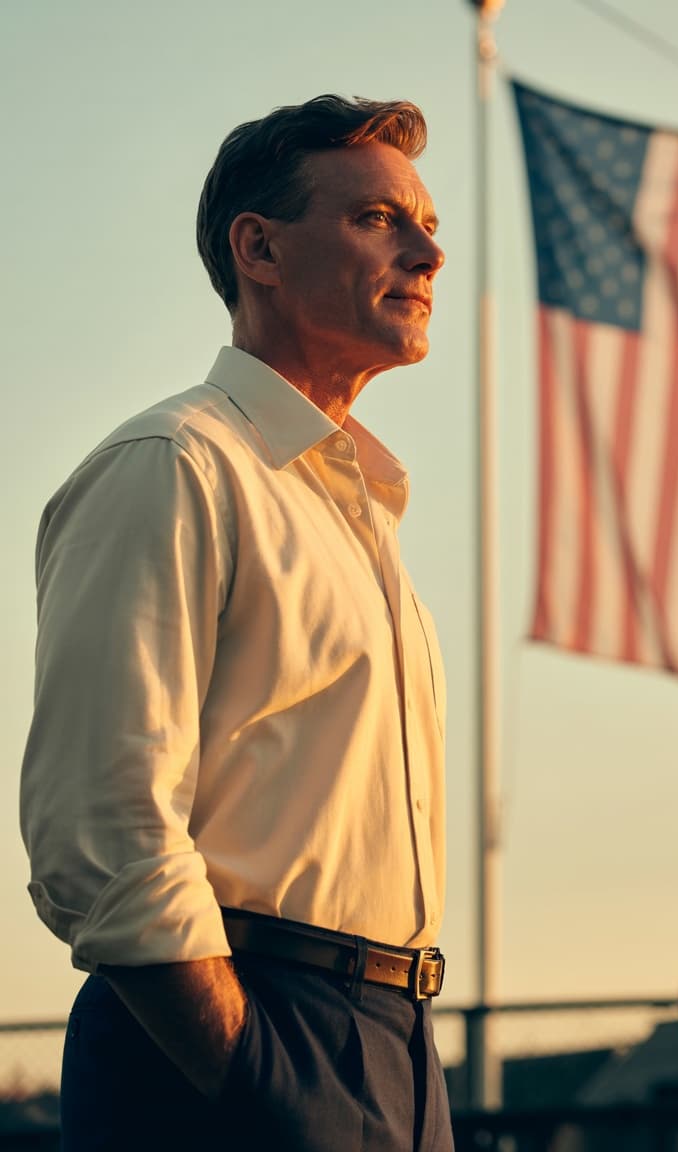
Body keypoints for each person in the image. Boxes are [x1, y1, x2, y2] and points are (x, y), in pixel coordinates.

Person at [20, 94, 451, 1152]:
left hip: (398, 1047)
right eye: (377, 220)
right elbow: (103, 828)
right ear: (257, 248)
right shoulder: (173, 467)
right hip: (232, 1046)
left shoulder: (359, 511)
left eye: (425, 223)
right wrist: (254, 1077)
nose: (428, 252)